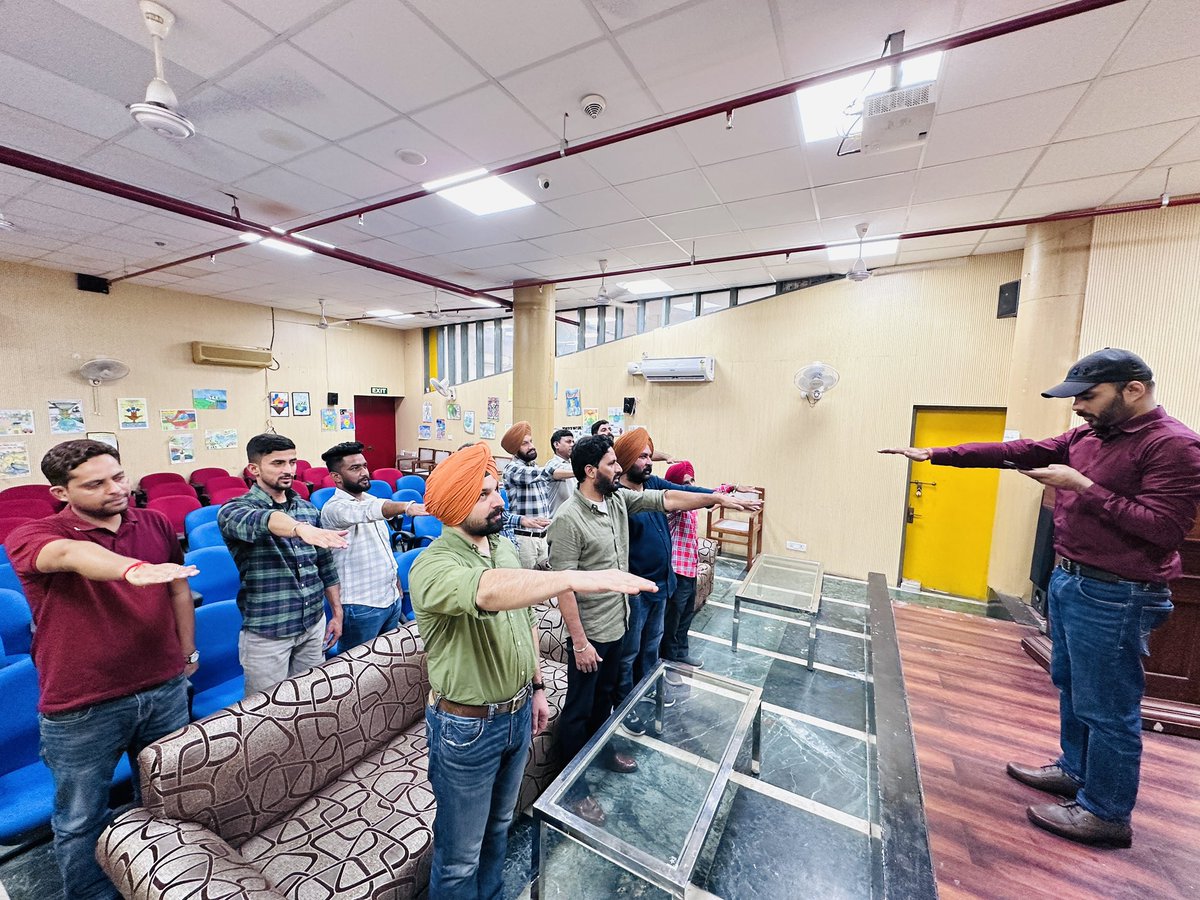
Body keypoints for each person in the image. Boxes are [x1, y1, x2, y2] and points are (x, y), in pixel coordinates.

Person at [880, 348, 1200, 849]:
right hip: (1071, 580)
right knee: (1072, 687)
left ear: (1133, 389)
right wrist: (938, 454)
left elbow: (1163, 530)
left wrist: (1081, 485)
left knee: (1109, 708)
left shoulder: (1174, 446)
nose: (1078, 408)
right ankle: (1075, 773)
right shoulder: (1090, 435)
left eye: (1089, 397)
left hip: (1119, 594)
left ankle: (1106, 814)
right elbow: (1025, 450)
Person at [409, 442, 652, 899]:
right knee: (460, 858)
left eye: (495, 489)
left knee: (500, 828)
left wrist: (538, 688)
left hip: (517, 713)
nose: (498, 500)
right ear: (456, 505)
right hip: (466, 727)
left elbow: (522, 623)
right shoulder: (432, 565)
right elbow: (488, 593)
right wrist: (574, 578)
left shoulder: (501, 546)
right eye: (483, 494)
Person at [6, 440, 199, 900]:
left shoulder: (152, 521)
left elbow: (176, 591)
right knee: (80, 818)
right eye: (96, 484)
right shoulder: (34, 534)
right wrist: (130, 569)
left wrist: (187, 654)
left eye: (118, 476)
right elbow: (71, 557)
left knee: (165, 798)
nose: (115, 489)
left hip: (164, 686)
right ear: (61, 493)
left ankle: (159, 881)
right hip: (84, 704)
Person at [549, 435, 758, 823]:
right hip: (590, 634)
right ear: (591, 471)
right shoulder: (568, 519)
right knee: (579, 710)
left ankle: (604, 753)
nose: (618, 468)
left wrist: (718, 498)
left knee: (607, 700)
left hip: (619, 622)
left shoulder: (616, 501)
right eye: (612, 464)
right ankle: (573, 790)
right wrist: (578, 642)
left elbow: (668, 499)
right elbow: (563, 585)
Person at [612, 428, 757, 735]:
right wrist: (718, 497)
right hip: (634, 589)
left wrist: (720, 497)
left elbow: (684, 492)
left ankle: (648, 690)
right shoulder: (617, 497)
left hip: (661, 584)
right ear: (625, 460)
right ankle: (624, 705)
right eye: (642, 456)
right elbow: (671, 499)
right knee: (628, 653)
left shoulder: (650, 482)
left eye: (650, 455)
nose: (648, 462)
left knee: (652, 646)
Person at [218, 433, 349, 697]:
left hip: (312, 624)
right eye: (278, 463)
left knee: (311, 699)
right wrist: (299, 529)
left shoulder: (307, 509)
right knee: (267, 715)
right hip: (269, 632)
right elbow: (264, 520)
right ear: (254, 469)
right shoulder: (233, 510)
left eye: (292, 462)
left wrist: (336, 612)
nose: (289, 470)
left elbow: (325, 566)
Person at [318, 441, 426, 652]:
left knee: (388, 662)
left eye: (364, 466)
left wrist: (394, 577)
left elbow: (383, 546)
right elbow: (366, 511)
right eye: (355, 468)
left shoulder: (370, 498)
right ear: (336, 477)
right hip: (360, 605)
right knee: (359, 672)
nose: (364, 472)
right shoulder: (333, 509)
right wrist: (408, 506)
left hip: (390, 598)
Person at [662, 460, 732, 667]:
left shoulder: (692, 503)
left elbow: (710, 494)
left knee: (685, 617)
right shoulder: (674, 506)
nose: (691, 485)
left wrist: (733, 488)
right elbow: (697, 498)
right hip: (676, 571)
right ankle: (668, 660)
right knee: (672, 621)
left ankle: (681, 653)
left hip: (690, 568)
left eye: (693, 480)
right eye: (685, 482)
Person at [499, 420, 572, 569]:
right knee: (526, 586)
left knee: (545, 585)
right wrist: (579, 472)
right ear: (515, 449)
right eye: (525, 444)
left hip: (542, 537)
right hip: (524, 539)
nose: (531, 446)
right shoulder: (512, 469)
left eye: (531, 441)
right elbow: (545, 473)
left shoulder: (534, 466)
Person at [545, 428, 575, 515]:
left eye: (573, 442)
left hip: (572, 515)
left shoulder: (573, 464)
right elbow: (555, 472)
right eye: (568, 442)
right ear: (557, 444)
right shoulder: (552, 464)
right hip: (557, 516)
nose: (572, 445)